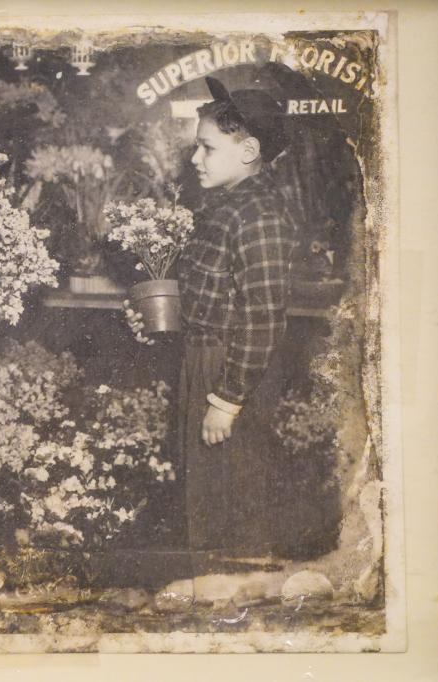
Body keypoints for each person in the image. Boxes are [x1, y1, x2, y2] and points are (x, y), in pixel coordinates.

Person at [174, 76, 303, 557]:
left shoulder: (261, 214)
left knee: (235, 503)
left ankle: (238, 610)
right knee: (205, 499)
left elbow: (264, 318)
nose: (195, 159)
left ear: (248, 151)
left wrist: (227, 399)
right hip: (207, 362)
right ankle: (209, 604)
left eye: (206, 148)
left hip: (233, 372)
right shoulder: (231, 205)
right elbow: (212, 289)